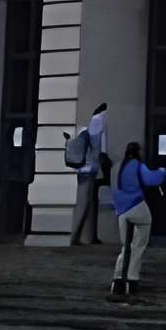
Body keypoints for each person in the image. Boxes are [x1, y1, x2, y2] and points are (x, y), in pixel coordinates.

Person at [110, 141, 163, 301]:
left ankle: (117, 280)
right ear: (138, 152)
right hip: (136, 206)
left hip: (121, 210)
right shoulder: (138, 166)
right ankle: (132, 280)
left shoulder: (116, 167)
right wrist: (162, 171)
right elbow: (152, 179)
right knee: (139, 242)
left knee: (125, 247)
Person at [65, 103, 110, 247]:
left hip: (87, 169)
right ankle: (74, 236)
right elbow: (98, 146)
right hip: (88, 169)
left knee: (89, 203)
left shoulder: (93, 121)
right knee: (84, 203)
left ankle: (85, 237)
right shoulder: (99, 120)